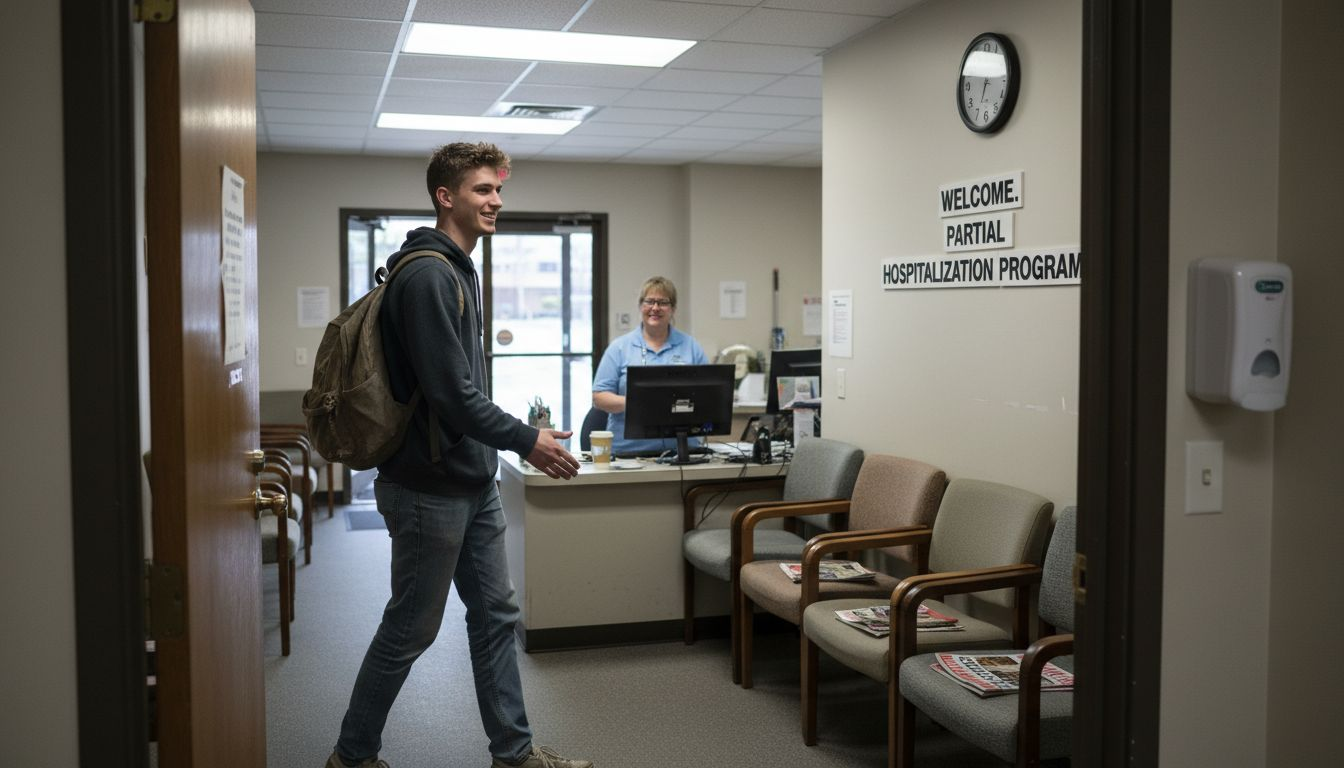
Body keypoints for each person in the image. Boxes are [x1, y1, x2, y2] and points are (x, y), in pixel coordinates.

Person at [327, 142, 590, 768]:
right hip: (426, 488)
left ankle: (515, 754)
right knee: (411, 629)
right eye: (481, 190)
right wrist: (527, 439)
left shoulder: (458, 267)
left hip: (470, 481)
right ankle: (352, 756)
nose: (495, 200)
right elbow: (450, 394)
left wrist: (501, 448)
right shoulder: (426, 275)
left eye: (498, 190)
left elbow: (461, 386)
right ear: (446, 197)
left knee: (496, 618)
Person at [591, 276, 708, 456]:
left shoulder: (691, 347)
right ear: (640, 306)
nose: (655, 308)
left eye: (663, 302)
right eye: (650, 301)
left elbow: (708, 396)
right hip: (629, 453)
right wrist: (639, 403)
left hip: (683, 452)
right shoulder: (619, 348)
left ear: (673, 309)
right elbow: (599, 398)